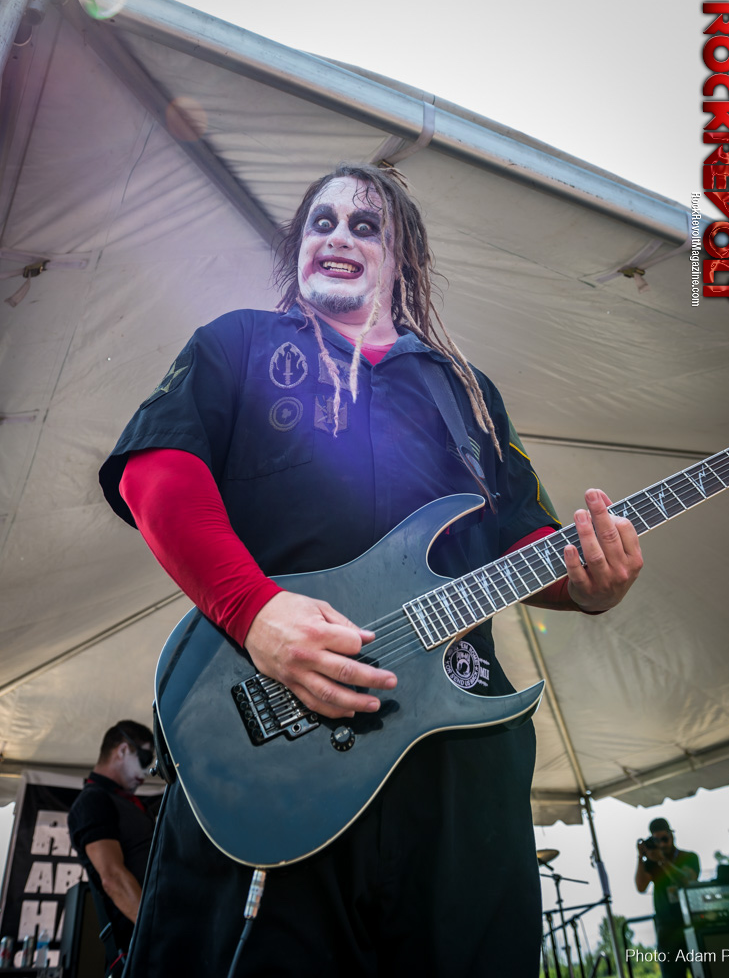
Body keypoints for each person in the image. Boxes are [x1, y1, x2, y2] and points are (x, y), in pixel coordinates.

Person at [99, 164, 643, 977]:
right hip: (275, 754)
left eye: (365, 226)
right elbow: (157, 472)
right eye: (321, 222)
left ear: (402, 258)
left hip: (456, 761)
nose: (338, 237)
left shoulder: (468, 393)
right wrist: (256, 613)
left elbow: (524, 541)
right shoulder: (239, 342)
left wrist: (589, 582)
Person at [68, 721, 156, 971]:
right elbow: (112, 878)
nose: (145, 773)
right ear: (123, 750)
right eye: (144, 759)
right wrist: (159, 933)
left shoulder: (128, 803)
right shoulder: (93, 801)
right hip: (144, 952)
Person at [636, 817, 700, 977]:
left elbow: (686, 881)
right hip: (666, 929)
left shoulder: (689, 857)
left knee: (703, 971)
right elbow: (641, 887)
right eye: (657, 840)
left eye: (665, 839)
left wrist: (663, 862)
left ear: (672, 836)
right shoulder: (651, 863)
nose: (662, 844)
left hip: (692, 923)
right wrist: (641, 857)